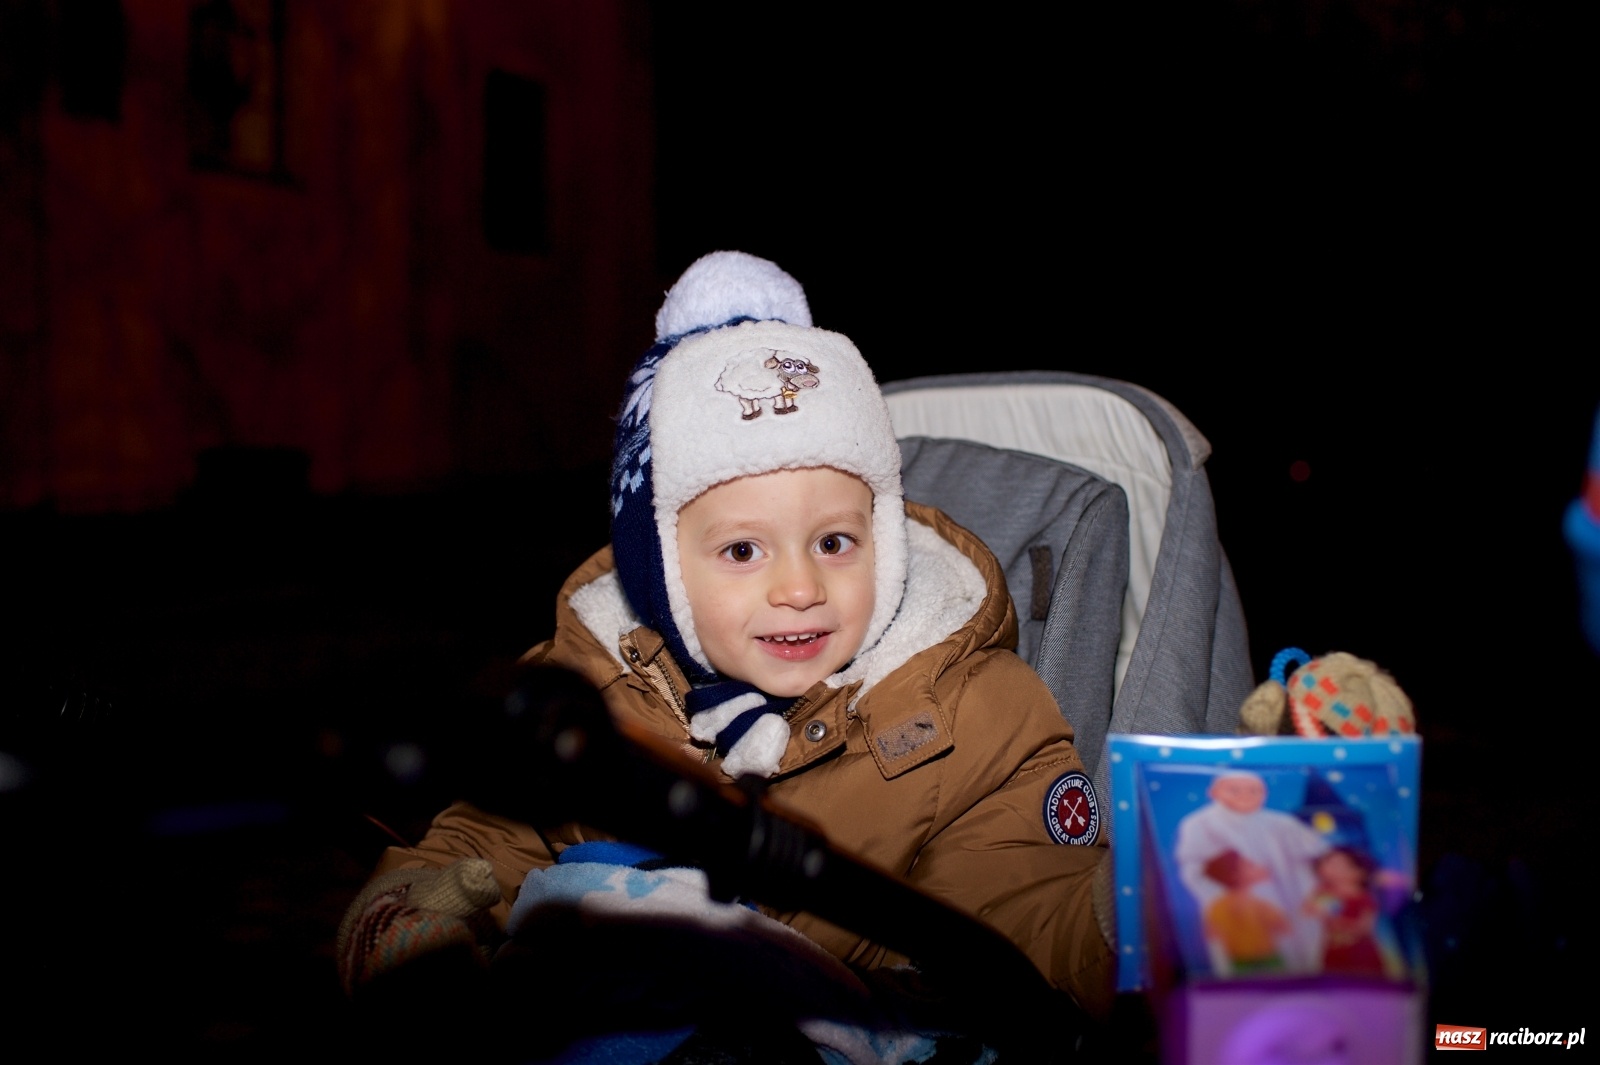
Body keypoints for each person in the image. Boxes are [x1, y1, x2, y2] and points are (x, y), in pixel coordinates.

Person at [338, 251, 1117, 1027]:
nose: (801, 588)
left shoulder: (972, 715)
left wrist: (1169, 912)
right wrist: (408, 924)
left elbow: (1033, 923)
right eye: (744, 550)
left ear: (885, 535)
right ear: (663, 570)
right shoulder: (586, 703)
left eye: (836, 542)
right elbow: (474, 848)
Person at [1173, 770, 1329, 972]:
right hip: (1237, 917)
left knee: (1300, 960)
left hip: (1293, 902)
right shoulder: (1199, 824)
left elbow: (1320, 856)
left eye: (1254, 790)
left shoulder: (1282, 823)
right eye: (1234, 790)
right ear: (1214, 792)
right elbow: (1193, 867)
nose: (1245, 795)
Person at [1200, 849, 1289, 975]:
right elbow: (1284, 928)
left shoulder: (1216, 906)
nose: (1259, 867)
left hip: (1241, 963)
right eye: (1250, 865)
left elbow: (1211, 934)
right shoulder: (1261, 905)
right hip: (1266, 960)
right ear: (1234, 875)